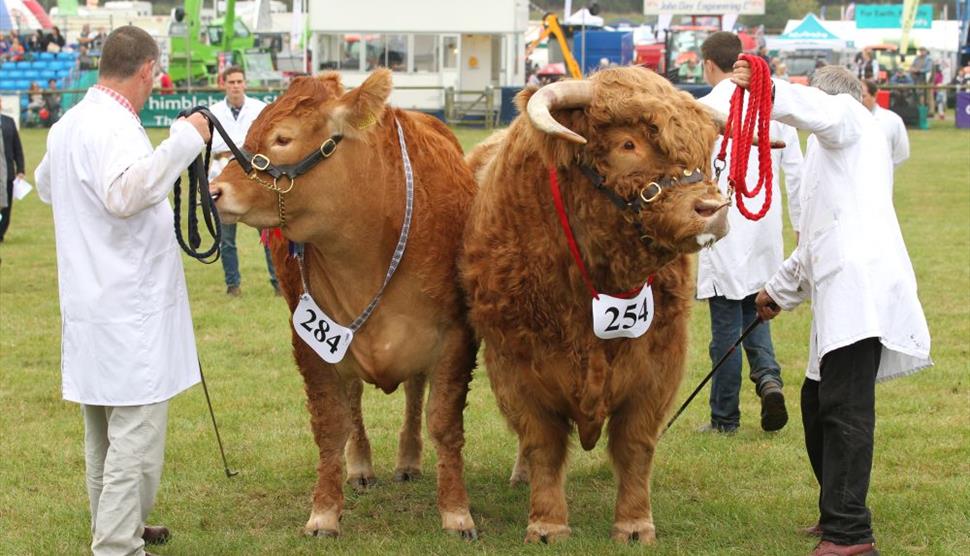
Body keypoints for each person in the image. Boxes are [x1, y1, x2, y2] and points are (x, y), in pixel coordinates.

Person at [733, 60, 932, 556]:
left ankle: (850, 534)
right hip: (842, 288)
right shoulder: (835, 152)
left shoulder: (847, 118)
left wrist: (765, 85)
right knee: (816, 403)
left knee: (844, 410)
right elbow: (818, 238)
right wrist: (775, 292)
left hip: (859, 289)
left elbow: (818, 108)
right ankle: (835, 514)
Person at [35, 25, 211, 556]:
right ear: (145, 71)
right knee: (134, 436)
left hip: (92, 305)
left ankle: (121, 526)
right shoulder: (111, 125)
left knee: (103, 435)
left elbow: (46, 184)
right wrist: (184, 142)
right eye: (154, 75)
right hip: (125, 308)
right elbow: (124, 193)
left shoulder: (69, 125)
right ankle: (116, 544)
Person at [695, 31, 803, 434]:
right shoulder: (774, 107)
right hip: (764, 228)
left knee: (725, 328)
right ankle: (769, 381)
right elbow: (797, 171)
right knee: (755, 312)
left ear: (709, 64)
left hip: (723, 231)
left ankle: (724, 418)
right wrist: (801, 228)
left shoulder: (702, 109)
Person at [209, 65, 279, 296]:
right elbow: (209, 145)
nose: (236, 86)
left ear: (245, 84)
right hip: (223, 175)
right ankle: (233, 284)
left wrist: (233, 150)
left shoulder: (259, 109)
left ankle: (277, 281)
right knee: (227, 238)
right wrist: (236, 150)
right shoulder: (213, 112)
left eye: (239, 82)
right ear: (224, 84)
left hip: (252, 179)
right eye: (231, 82)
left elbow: (263, 143)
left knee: (267, 234)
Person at [860, 80, 909, 169]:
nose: (859, 101)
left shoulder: (892, 120)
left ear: (874, 95)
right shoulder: (845, 120)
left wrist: (885, 169)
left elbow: (902, 153)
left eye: (863, 96)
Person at [0, 97, 24, 243]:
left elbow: (17, 147)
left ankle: (1, 232)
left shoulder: (9, 122)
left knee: (6, 206)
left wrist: (20, 168)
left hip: (7, 172)